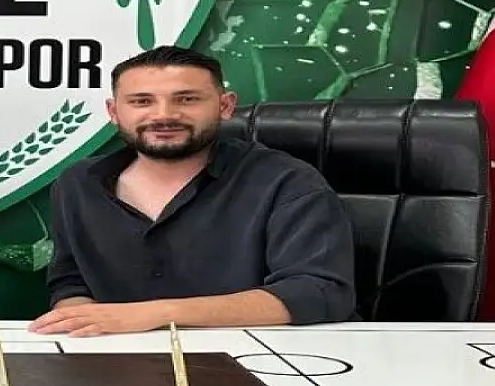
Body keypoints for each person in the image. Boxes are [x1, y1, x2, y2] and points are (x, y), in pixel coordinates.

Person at [29, 46, 356, 337]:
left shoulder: (288, 181)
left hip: (261, 361)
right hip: (119, 361)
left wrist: (157, 314)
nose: (164, 115)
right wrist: (81, 322)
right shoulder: (79, 183)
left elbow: (319, 290)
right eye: (142, 101)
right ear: (114, 112)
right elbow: (70, 281)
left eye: (187, 99)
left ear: (225, 105)